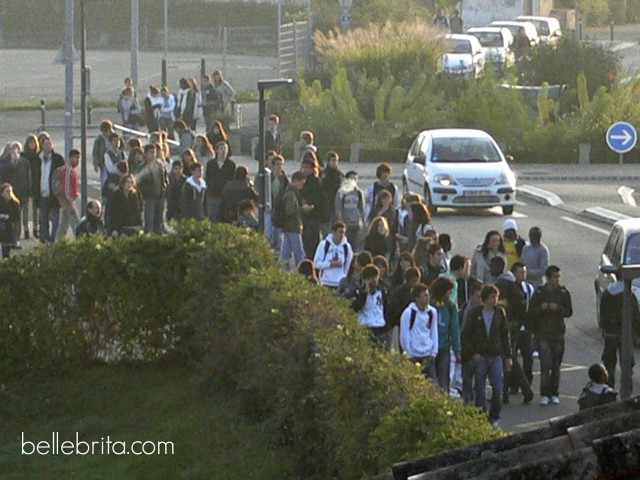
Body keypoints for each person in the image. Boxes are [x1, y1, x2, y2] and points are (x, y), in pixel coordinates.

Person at [462, 284, 512, 428]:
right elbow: (466, 335)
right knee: (480, 388)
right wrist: (473, 353)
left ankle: (494, 416)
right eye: (492, 297)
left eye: (496, 297)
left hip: (496, 355)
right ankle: (481, 415)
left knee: (498, 387)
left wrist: (508, 357)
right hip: (481, 356)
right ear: (484, 299)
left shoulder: (500, 312)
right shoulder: (475, 313)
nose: (495, 300)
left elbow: (505, 335)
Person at [529, 265, 573, 406]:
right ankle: (544, 393)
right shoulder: (540, 292)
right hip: (543, 333)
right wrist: (541, 308)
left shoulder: (563, 292)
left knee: (556, 365)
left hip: (558, 333)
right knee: (545, 364)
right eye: (555, 277)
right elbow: (531, 312)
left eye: (559, 276)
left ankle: (554, 393)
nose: (557, 279)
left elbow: (569, 311)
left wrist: (558, 308)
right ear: (548, 278)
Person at [494, 258, 534, 404]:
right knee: (509, 358)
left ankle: (520, 389)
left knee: (508, 358)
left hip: (509, 325)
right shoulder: (514, 287)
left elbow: (504, 306)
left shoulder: (506, 286)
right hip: (514, 325)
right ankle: (514, 390)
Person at [598, 267, 640, 390]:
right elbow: (636, 315)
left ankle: (609, 390)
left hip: (610, 333)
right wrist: (638, 333)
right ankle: (625, 392)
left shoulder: (608, 292)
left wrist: (604, 329)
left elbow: (603, 313)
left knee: (609, 363)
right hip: (625, 334)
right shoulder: (629, 294)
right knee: (627, 365)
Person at [399, 283, 439, 379]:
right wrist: (409, 354)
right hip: (413, 355)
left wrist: (434, 352)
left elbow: (434, 332)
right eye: (425, 295)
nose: (428, 298)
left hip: (428, 355)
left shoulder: (432, 312)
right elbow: (404, 335)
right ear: (417, 298)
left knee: (431, 385)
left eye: (428, 295)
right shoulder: (408, 313)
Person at [430, 276, 461, 393]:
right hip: (429, 349)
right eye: (449, 292)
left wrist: (457, 351)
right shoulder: (429, 304)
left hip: (444, 348)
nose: (450, 295)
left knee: (444, 382)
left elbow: (454, 330)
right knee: (429, 381)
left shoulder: (451, 307)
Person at [33, 133, 65, 243]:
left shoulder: (58, 159)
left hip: (54, 195)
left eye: (49, 143)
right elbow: (35, 177)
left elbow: (62, 176)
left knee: (55, 220)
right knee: (43, 219)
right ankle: (44, 240)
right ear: (42, 145)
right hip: (42, 194)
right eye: (45, 144)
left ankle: (54, 240)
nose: (48, 146)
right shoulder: (37, 159)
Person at [280, 171, 313, 271]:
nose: (302, 185)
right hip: (293, 226)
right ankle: (303, 272)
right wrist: (303, 209)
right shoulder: (291, 194)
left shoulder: (290, 192)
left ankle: (284, 272)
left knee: (285, 253)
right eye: (301, 183)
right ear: (295, 181)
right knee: (299, 253)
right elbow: (290, 211)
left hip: (288, 226)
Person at [135, 144, 168, 234]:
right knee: (149, 220)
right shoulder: (142, 167)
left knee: (159, 220)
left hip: (160, 196)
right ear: (145, 154)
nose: (153, 154)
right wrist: (145, 193)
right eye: (150, 152)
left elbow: (164, 179)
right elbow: (138, 182)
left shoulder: (159, 165)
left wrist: (164, 189)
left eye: (154, 152)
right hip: (148, 197)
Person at [352, 264, 388, 345]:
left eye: (375, 277)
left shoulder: (382, 292)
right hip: (366, 327)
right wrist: (365, 293)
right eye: (371, 278)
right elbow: (357, 307)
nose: (374, 280)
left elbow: (385, 308)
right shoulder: (358, 293)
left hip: (380, 327)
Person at [300, 152, 327, 259]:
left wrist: (311, 206)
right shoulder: (302, 180)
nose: (304, 170)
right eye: (303, 167)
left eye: (307, 167)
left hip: (313, 218)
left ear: (312, 169)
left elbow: (321, 200)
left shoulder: (315, 182)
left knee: (312, 245)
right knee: (305, 244)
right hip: (304, 217)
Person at [3, 141, 31, 243]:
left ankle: (16, 239)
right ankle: (9, 239)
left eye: (16, 149)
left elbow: (28, 179)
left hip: (21, 194)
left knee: (17, 218)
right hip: (8, 194)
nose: (14, 151)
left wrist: (28, 193)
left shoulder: (25, 162)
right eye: (12, 149)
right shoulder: (4, 162)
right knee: (9, 217)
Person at [313, 222, 353, 289]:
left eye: (343, 232)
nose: (342, 235)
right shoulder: (324, 245)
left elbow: (348, 265)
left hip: (339, 283)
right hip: (325, 282)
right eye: (340, 232)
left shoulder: (347, 247)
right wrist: (330, 264)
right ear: (333, 232)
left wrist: (343, 276)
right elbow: (316, 264)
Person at [205, 141, 235, 223]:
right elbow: (207, 177)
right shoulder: (211, 164)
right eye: (221, 148)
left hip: (225, 194)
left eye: (225, 148)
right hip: (213, 194)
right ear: (217, 150)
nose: (223, 151)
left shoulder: (231, 164)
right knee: (213, 217)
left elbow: (232, 179)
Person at [335, 170, 365, 251]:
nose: (353, 181)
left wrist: (363, 222)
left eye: (355, 179)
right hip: (346, 223)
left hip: (356, 224)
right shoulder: (341, 192)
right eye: (351, 178)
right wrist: (341, 223)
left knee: (355, 247)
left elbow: (361, 208)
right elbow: (338, 209)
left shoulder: (359, 192)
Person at [55, 149, 81, 241]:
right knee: (76, 223)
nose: (77, 160)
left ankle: (59, 241)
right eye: (75, 158)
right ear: (70, 158)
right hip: (67, 200)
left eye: (78, 158)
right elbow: (66, 187)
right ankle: (80, 241)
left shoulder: (73, 170)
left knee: (64, 223)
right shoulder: (68, 170)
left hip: (68, 199)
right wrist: (71, 202)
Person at [267, 153, 289, 252]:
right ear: (273, 165)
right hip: (269, 207)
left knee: (278, 235)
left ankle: (277, 253)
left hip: (279, 210)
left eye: (281, 164)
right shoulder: (268, 177)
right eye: (277, 164)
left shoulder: (284, 179)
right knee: (268, 232)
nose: (280, 167)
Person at [23, 134, 40, 239]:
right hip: (25, 184)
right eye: (30, 143)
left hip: (36, 184)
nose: (32, 145)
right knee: (25, 208)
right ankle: (25, 228)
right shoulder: (23, 156)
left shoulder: (39, 156)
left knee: (36, 208)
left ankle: (35, 228)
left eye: (33, 143)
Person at [322, 151, 344, 225]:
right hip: (326, 204)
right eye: (333, 160)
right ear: (328, 161)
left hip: (337, 203)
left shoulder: (340, 174)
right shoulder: (324, 174)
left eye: (336, 160)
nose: (335, 162)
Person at [92, 120, 113, 192]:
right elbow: (95, 152)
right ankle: (104, 194)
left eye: (106, 131)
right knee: (104, 180)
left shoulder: (114, 137)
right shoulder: (99, 139)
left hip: (113, 162)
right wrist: (96, 164)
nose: (105, 133)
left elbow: (122, 147)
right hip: (103, 163)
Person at [0, 183, 20, 258]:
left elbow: (17, 217)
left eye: (10, 191)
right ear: (2, 193)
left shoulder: (15, 203)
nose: (9, 194)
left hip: (9, 229)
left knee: (6, 251)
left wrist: (8, 217)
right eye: (7, 192)